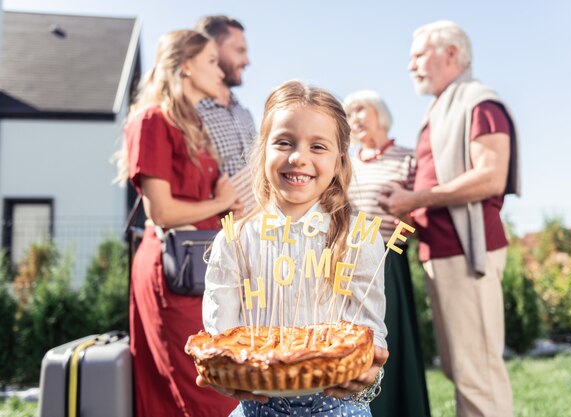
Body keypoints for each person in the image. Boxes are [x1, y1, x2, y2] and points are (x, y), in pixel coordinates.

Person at [197, 80, 389, 417]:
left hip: (338, 410)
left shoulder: (359, 237)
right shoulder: (235, 239)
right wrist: (221, 370)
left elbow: (369, 336)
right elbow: (221, 337)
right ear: (264, 150)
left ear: (340, 161)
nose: (298, 158)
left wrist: (368, 374)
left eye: (318, 146)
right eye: (284, 142)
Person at [377, 21, 520, 417]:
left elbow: (491, 176)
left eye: (419, 55)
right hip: (441, 252)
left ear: (451, 54)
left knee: (479, 373)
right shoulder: (443, 105)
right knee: (462, 369)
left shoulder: (479, 102)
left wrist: (414, 198)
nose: (412, 66)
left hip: (465, 252)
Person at [115, 30, 240, 417]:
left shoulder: (196, 127)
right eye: (211, 62)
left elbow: (213, 202)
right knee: (202, 381)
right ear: (186, 66)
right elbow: (162, 212)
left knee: (216, 376)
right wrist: (219, 199)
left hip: (204, 262)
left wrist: (223, 200)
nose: (220, 71)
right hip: (174, 265)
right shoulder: (151, 121)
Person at [344, 90, 431, 417]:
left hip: (388, 260)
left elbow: (417, 214)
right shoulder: (346, 163)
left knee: (388, 339)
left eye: (361, 109)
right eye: (349, 113)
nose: (355, 118)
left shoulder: (408, 158)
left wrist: (403, 226)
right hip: (348, 260)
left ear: (380, 113)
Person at [195, 15, 256, 177]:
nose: (246, 61)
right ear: (211, 49)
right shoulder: (189, 114)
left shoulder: (245, 114)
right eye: (239, 51)